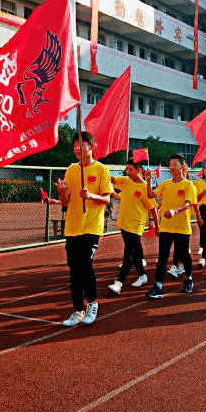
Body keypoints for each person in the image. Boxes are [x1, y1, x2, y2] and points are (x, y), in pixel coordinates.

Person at [55, 131, 112, 327]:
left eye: (82, 144)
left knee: (85, 267)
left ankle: (93, 303)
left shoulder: (102, 169)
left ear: (92, 146)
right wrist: (62, 192)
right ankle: (77, 309)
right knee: (73, 271)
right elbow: (65, 201)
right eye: (75, 145)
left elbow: (106, 198)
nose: (78, 148)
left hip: (91, 227)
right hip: (72, 227)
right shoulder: (71, 170)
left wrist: (91, 197)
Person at [145, 153, 197, 298]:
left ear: (182, 166)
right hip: (166, 227)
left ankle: (188, 278)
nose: (171, 167)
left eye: (175, 164)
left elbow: (188, 204)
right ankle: (158, 285)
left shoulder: (188, 185)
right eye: (170, 165)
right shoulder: (166, 184)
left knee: (185, 255)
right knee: (162, 256)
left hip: (182, 227)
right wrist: (148, 180)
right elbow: (150, 195)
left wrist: (174, 210)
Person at [108, 161, 159, 294]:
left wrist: (156, 225)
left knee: (128, 253)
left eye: (130, 169)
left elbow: (153, 209)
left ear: (139, 170)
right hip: (124, 223)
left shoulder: (144, 188)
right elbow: (111, 179)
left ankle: (119, 282)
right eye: (126, 169)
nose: (127, 172)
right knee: (135, 254)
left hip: (136, 226)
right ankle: (143, 276)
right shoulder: (126, 181)